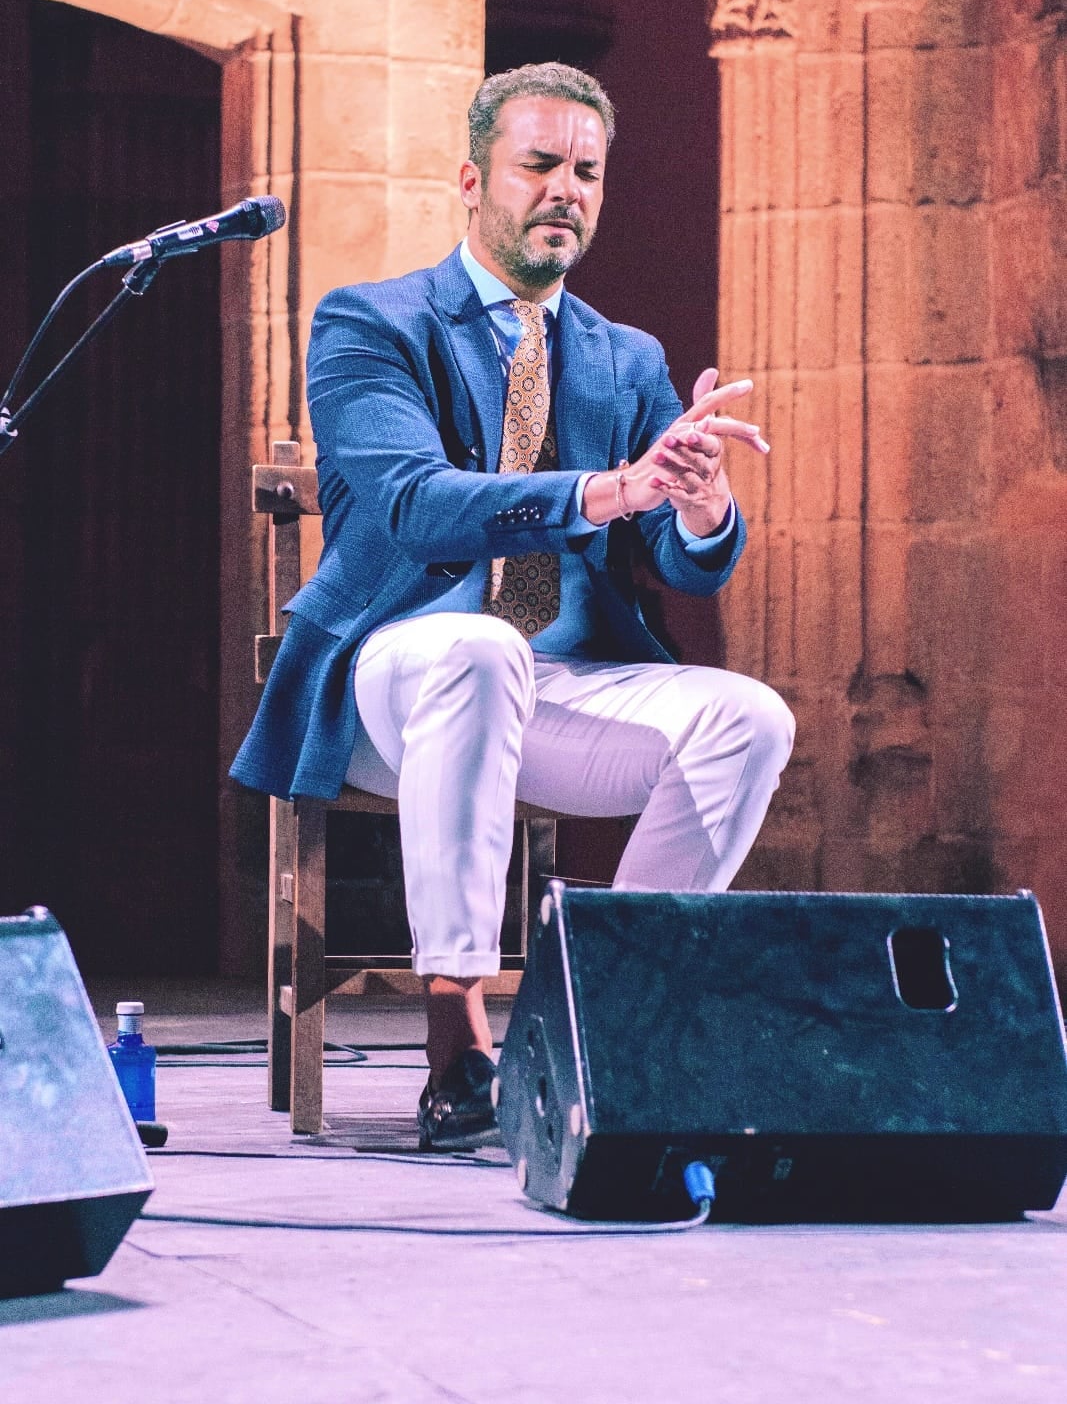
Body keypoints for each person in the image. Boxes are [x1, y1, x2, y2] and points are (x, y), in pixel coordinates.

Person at [232, 62, 795, 1150]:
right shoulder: (371, 323)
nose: (564, 190)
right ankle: (459, 1036)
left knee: (749, 717)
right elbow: (411, 505)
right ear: (471, 177)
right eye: (537, 164)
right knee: (480, 647)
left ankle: (604, 1020)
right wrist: (600, 489)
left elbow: (680, 568)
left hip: (559, 682)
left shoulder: (624, 356)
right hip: (397, 681)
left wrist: (699, 504)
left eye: (585, 171)